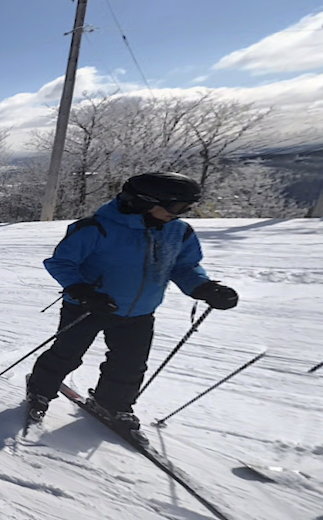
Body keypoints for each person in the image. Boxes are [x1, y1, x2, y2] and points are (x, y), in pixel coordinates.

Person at [24, 172, 239, 430]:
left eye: (187, 208)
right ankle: (40, 389)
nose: (181, 213)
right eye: (176, 206)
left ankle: (112, 404)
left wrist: (204, 288)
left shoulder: (178, 232)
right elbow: (61, 262)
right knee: (67, 354)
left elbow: (184, 266)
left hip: (140, 311)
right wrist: (83, 291)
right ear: (144, 201)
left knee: (130, 364)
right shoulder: (96, 228)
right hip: (88, 307)